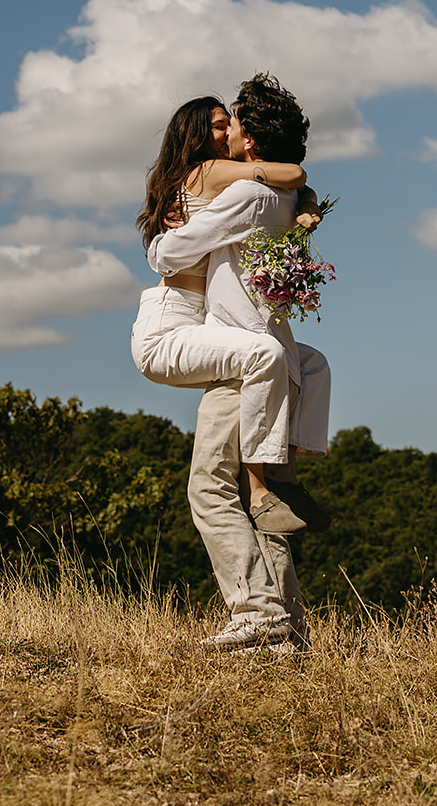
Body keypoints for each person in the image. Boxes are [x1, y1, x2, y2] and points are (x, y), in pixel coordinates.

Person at [146, 74, 330, 652]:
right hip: (279, 355)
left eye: (234, 125)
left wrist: (169, 240)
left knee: (212, 490)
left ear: (250, 143)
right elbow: (296, 188)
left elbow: (169, 251)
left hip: (242, 359)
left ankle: (257, 614)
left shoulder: (247, 194)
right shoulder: (283, 200)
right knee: (263, 495)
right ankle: (288, 624)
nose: (226, 134)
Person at [132, 94, 326, 528]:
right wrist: (299, 182)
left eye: (229, 124)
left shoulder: (236, 183)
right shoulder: (209, 170)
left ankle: (284, 480)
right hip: (172, 317)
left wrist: (306, 199)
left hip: (202, 319)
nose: (225, 133)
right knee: (267, 356)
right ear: (196, 136)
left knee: (309, 363)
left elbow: (288, 185)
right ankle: (261, 487)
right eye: (218, 126)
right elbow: (289, 175)